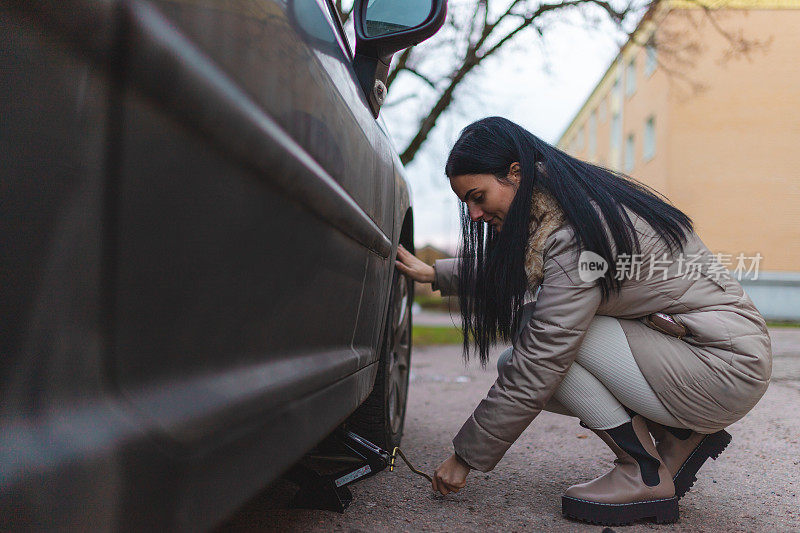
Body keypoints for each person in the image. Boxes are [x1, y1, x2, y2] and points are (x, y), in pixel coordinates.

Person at [394, 116, 771, 526]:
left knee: (544, 340)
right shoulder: (567, 210)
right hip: (711, 355)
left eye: (479, 196)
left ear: (515, 175)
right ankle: (679, 438)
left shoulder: (576, 231)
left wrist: (464, 457)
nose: (475, 212)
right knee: (522, 355)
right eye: (466, 202)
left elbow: (544, 353)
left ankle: (642, 472)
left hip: (721, 366)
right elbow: (536, 270)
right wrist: (437, 274)